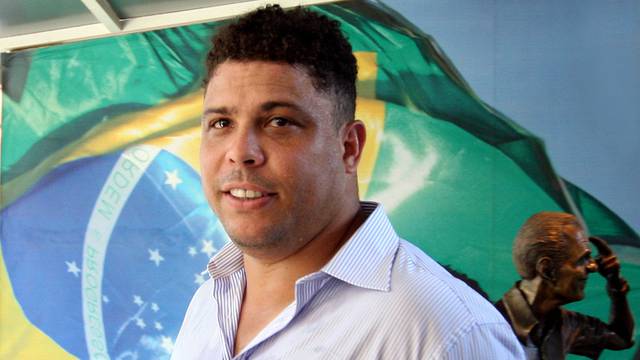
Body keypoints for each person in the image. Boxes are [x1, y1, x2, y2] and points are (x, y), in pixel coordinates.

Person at [172, 5, 524, 359]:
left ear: (348, 147)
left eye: (279, 122)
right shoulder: (207, 305)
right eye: (221, 124)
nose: (240, 152)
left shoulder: (446, 332)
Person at [496, 212, 634, 359]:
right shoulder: (491, 322)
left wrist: (616, 286)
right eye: (582, 260)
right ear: (547, 269)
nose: (593, 267)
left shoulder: (565, 323)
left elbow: (621, 338)